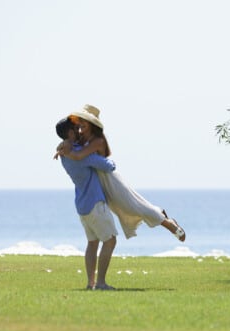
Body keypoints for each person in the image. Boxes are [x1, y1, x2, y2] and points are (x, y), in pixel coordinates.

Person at [55, 104, 186, 242]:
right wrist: (62, 147)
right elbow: (71, 145)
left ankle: (168, 223)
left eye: (82, 124)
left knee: (133, 205)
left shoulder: (97, 140)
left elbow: (80, 156)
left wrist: (66, 151)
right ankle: (158, 213)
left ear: (91, 124)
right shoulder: (81, 139)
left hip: (109, 177)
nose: (79, 128)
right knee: (124, 208)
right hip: (100, 180)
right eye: (78, 125)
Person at [57, 118, 118, 291]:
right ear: (69, 133)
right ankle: (100, 283)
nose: (79, 131)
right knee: (110, 241)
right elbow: (109, 166)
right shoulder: (79, 154)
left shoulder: (64, 153)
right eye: (76, 128)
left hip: (82, 205)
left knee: (92, 243)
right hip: (95, 203)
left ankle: (90, 283)